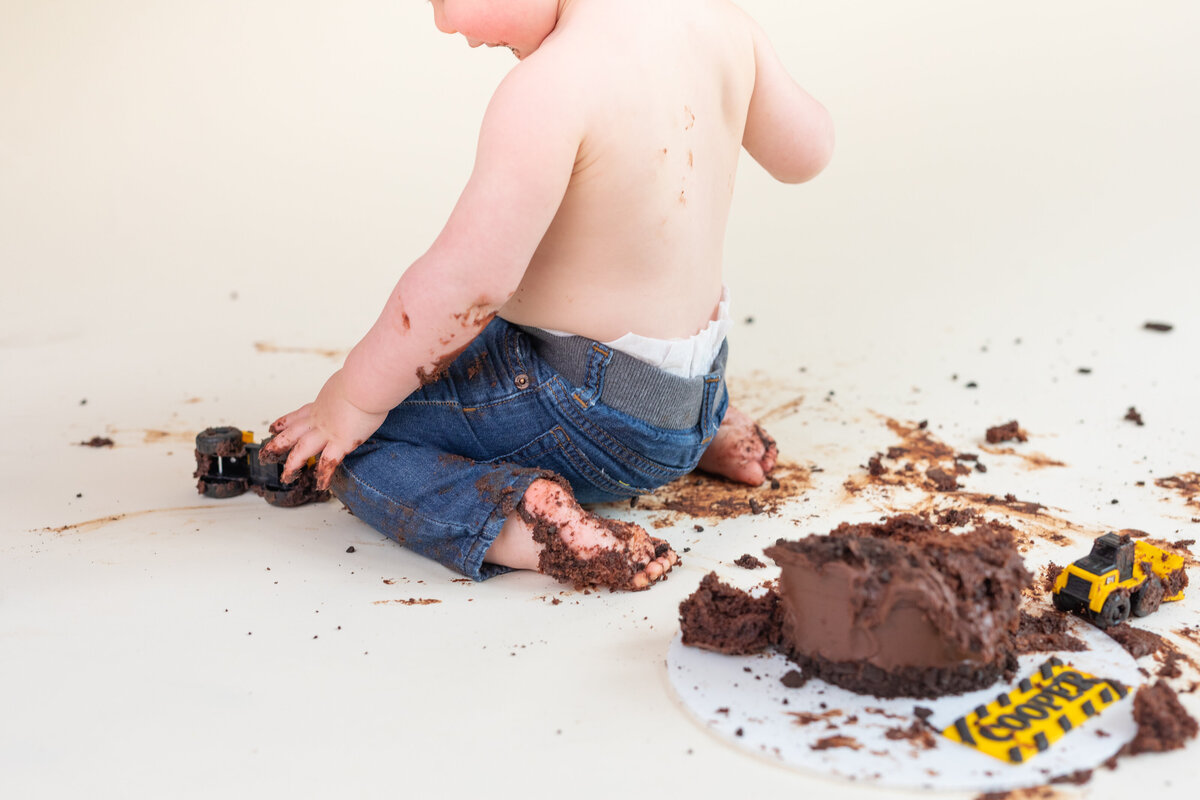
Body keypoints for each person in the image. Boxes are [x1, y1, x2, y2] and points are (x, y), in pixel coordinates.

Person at [262, 0, 833, 590]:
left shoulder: (550, 86)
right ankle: (699, 430)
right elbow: (807, 154)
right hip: (699, 388)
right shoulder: (720, 23)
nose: (443, 23)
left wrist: (352, 401)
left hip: (592, 417)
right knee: (486, 344)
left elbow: (469, 285)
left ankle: (530, 526)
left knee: (352, 453)